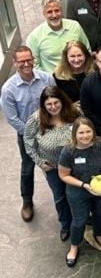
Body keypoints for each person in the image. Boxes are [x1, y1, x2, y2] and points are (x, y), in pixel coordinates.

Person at [1, 46, 56, 221]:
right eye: (22, 61)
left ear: (33, 59)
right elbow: (12, 118)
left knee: (56, 164)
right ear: (15, 63)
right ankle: (27, 202)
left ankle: (63, 199)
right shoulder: (9, 89)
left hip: (51, 131)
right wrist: (33, 134)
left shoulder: (47, 79)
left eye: (28, 60)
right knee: (27, 167)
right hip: (26, 134)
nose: (26, 64)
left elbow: (57, 102)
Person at [23, 86, 79, 240]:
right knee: (60, 196)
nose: (53, 107)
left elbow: (85, 131)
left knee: (77, 193)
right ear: (43, 105)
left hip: (75, 164)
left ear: (62, 101)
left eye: (56, 103)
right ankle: (65, 224)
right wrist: (40, 162)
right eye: (49, 104)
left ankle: (81, 219)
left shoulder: (75, 114)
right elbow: (28, 142)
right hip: (52, 167)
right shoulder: (36, 119)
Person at [58, 117, 101, 267]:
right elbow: (63, 175)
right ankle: (74, 246)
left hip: (100, 188)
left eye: (88, 131)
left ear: (93, 132)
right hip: (78, 191)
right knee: (79, 220)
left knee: (100, 213)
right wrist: (83, 185)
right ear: (74, 134)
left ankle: (99, 235)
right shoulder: (68, 151)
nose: (85, 136)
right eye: (81, 132)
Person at [26, 0, 91, 73]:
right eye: (49, 12)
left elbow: (87, 50)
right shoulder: (35, 37)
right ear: (44, 13)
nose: (54, 15)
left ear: (61, 10)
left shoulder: (75, 26)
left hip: (79, 76)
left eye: (57, 10)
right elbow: (34, 64)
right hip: (53, 82)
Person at [53, 40, 94, 105]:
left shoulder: (95, 72)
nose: (76, 60)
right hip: (70, 112)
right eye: (72, 56)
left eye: (79, 55)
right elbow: (56, 100)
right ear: (66, 57)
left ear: (85, 55)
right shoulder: (58, 76)